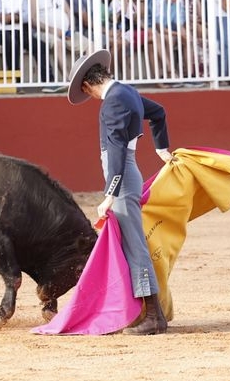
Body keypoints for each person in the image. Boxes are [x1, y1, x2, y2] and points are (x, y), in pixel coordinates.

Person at [66, 48, 172, 335]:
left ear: (87, 86)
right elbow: (159, 113)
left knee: (135, 245)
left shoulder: (112, 102)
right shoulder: (127, 92)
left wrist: (110, 193)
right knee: (132, 243)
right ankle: (148, 313)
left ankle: (154, 317)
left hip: (122, 177)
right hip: (128, 172)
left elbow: (115, 149)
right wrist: (161, 149)